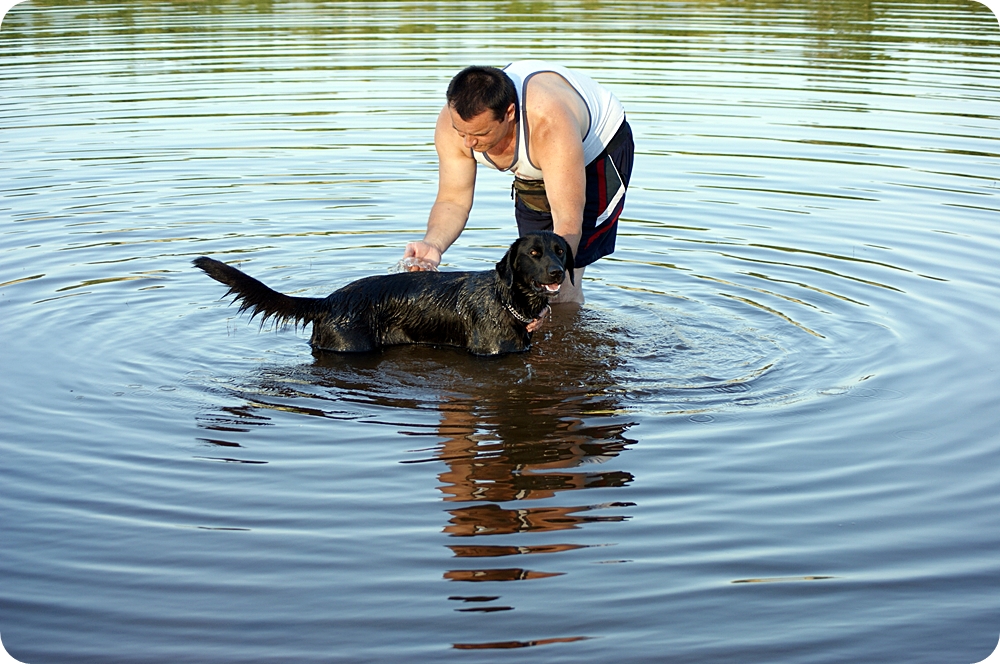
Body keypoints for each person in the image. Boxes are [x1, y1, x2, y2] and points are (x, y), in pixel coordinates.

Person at [403, 60, 634, 314]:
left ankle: (566, 343)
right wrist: (433, 245)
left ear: (510, 113)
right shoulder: (452, 124)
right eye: (461, 132)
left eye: (480, 134)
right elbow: (453, 200)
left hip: (597, 151)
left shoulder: (549, 123)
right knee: (531, 276)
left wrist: (556, 284)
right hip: (537, 157)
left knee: (557, 282)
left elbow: (568, 223)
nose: (468, 142)